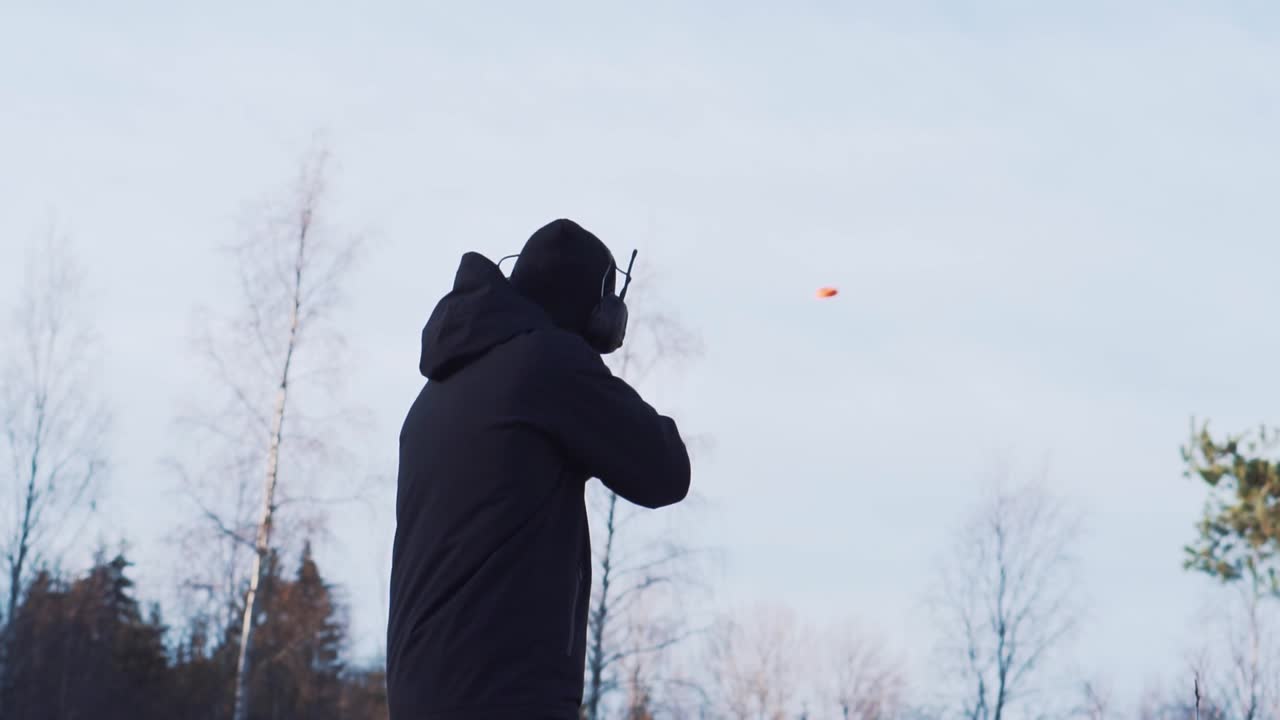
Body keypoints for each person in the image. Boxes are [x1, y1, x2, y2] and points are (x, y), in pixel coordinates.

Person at [386, 218, 692, 720]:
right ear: (599, 313)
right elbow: (665, 470)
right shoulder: (548, 361)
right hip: (504, 694)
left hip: (421, 692)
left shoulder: (437, 390)